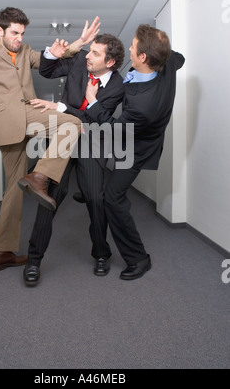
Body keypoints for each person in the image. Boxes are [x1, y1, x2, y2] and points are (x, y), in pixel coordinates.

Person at [0, 7, 99, 272]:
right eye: (15, 33)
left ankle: (38, 176)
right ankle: (3, 250)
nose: (19, 38)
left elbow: (50, 57)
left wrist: (79, 43)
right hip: (7, 122)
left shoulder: (25, 51)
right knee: (14, 187)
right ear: (0, 30)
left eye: (22, 33)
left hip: (30, 113)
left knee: (71, 123)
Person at [18, 34, 125, 286]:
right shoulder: (78, 61)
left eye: (95, 53)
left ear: (109, 63)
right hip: (63, 137)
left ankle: (101, 253)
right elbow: (47, 71)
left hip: (91, 141)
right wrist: (52, 54)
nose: (87, 55)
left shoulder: (118, 86)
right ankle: (34, 260)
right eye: (90, 50)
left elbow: (94, 119)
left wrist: (61, 108)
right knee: (49, 196)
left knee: (95, 198)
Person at [85, 24, 185, 281]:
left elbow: (114, 129)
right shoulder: (169, 61)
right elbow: (179, 58)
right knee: (109, 191)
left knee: (112, 199)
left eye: (133, 45)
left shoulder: (143, 104)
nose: (129, 47)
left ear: (143, 57)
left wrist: (93, 101)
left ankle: (139, 259)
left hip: (138, 147)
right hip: (138, 132)